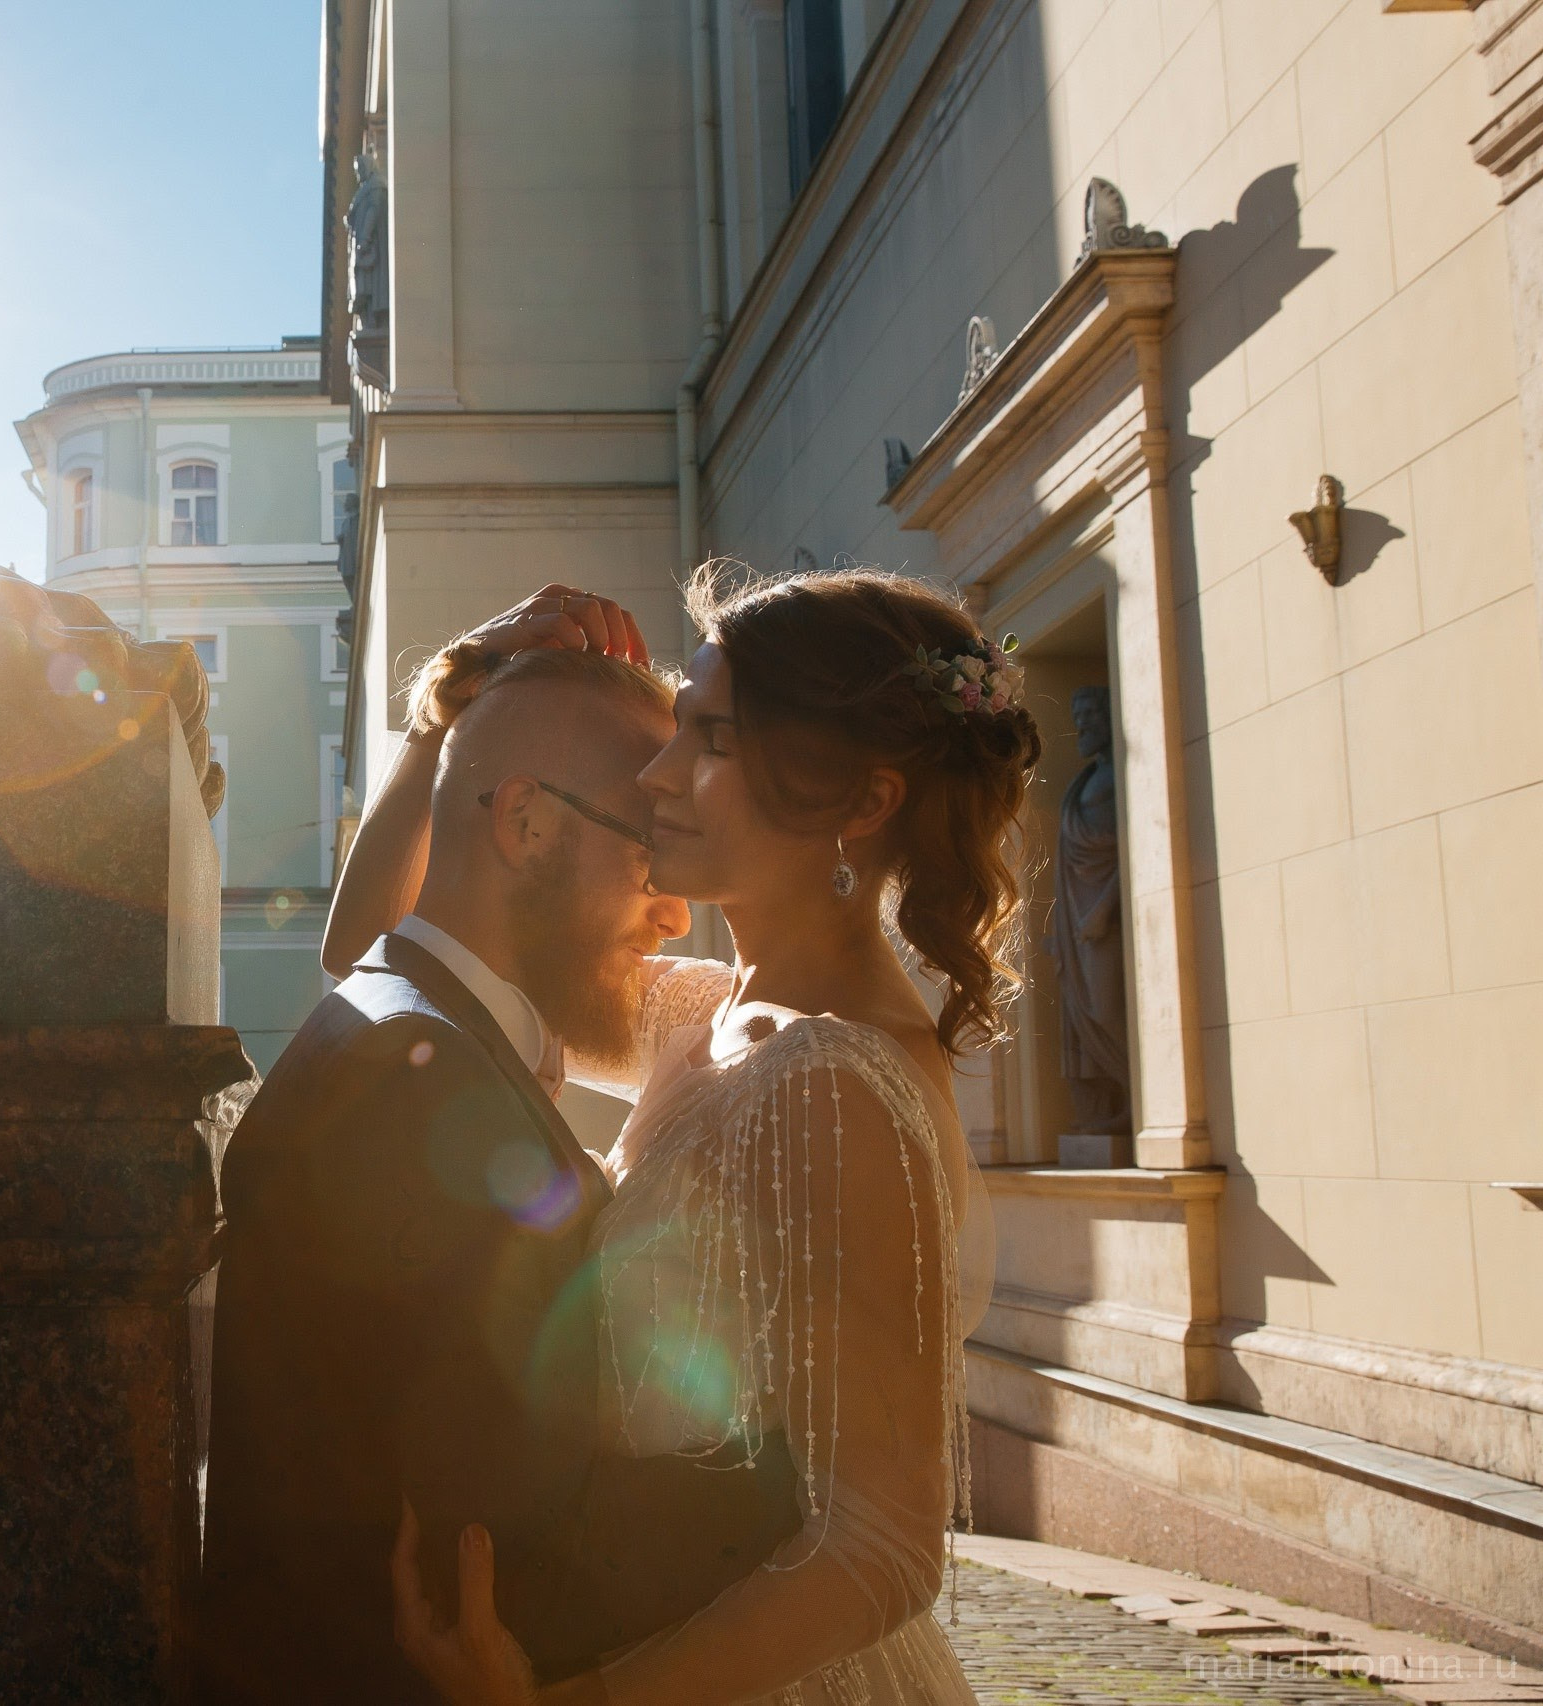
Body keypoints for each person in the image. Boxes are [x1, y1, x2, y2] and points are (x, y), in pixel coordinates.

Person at [341, 567, 1034, 1706]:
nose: (657, 771)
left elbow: (883, 1545)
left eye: (709, 737)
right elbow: (390, 952)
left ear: (859, 803)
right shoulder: (706, 1013)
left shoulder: (839, 1080)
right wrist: (451, 707)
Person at [193, 589, 804, 1704]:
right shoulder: (415, 1088)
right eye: (646, 860)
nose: (674, 915)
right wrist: (811, 1468)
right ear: (525, 823)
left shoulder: (399, 1016)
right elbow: (512, 1549)